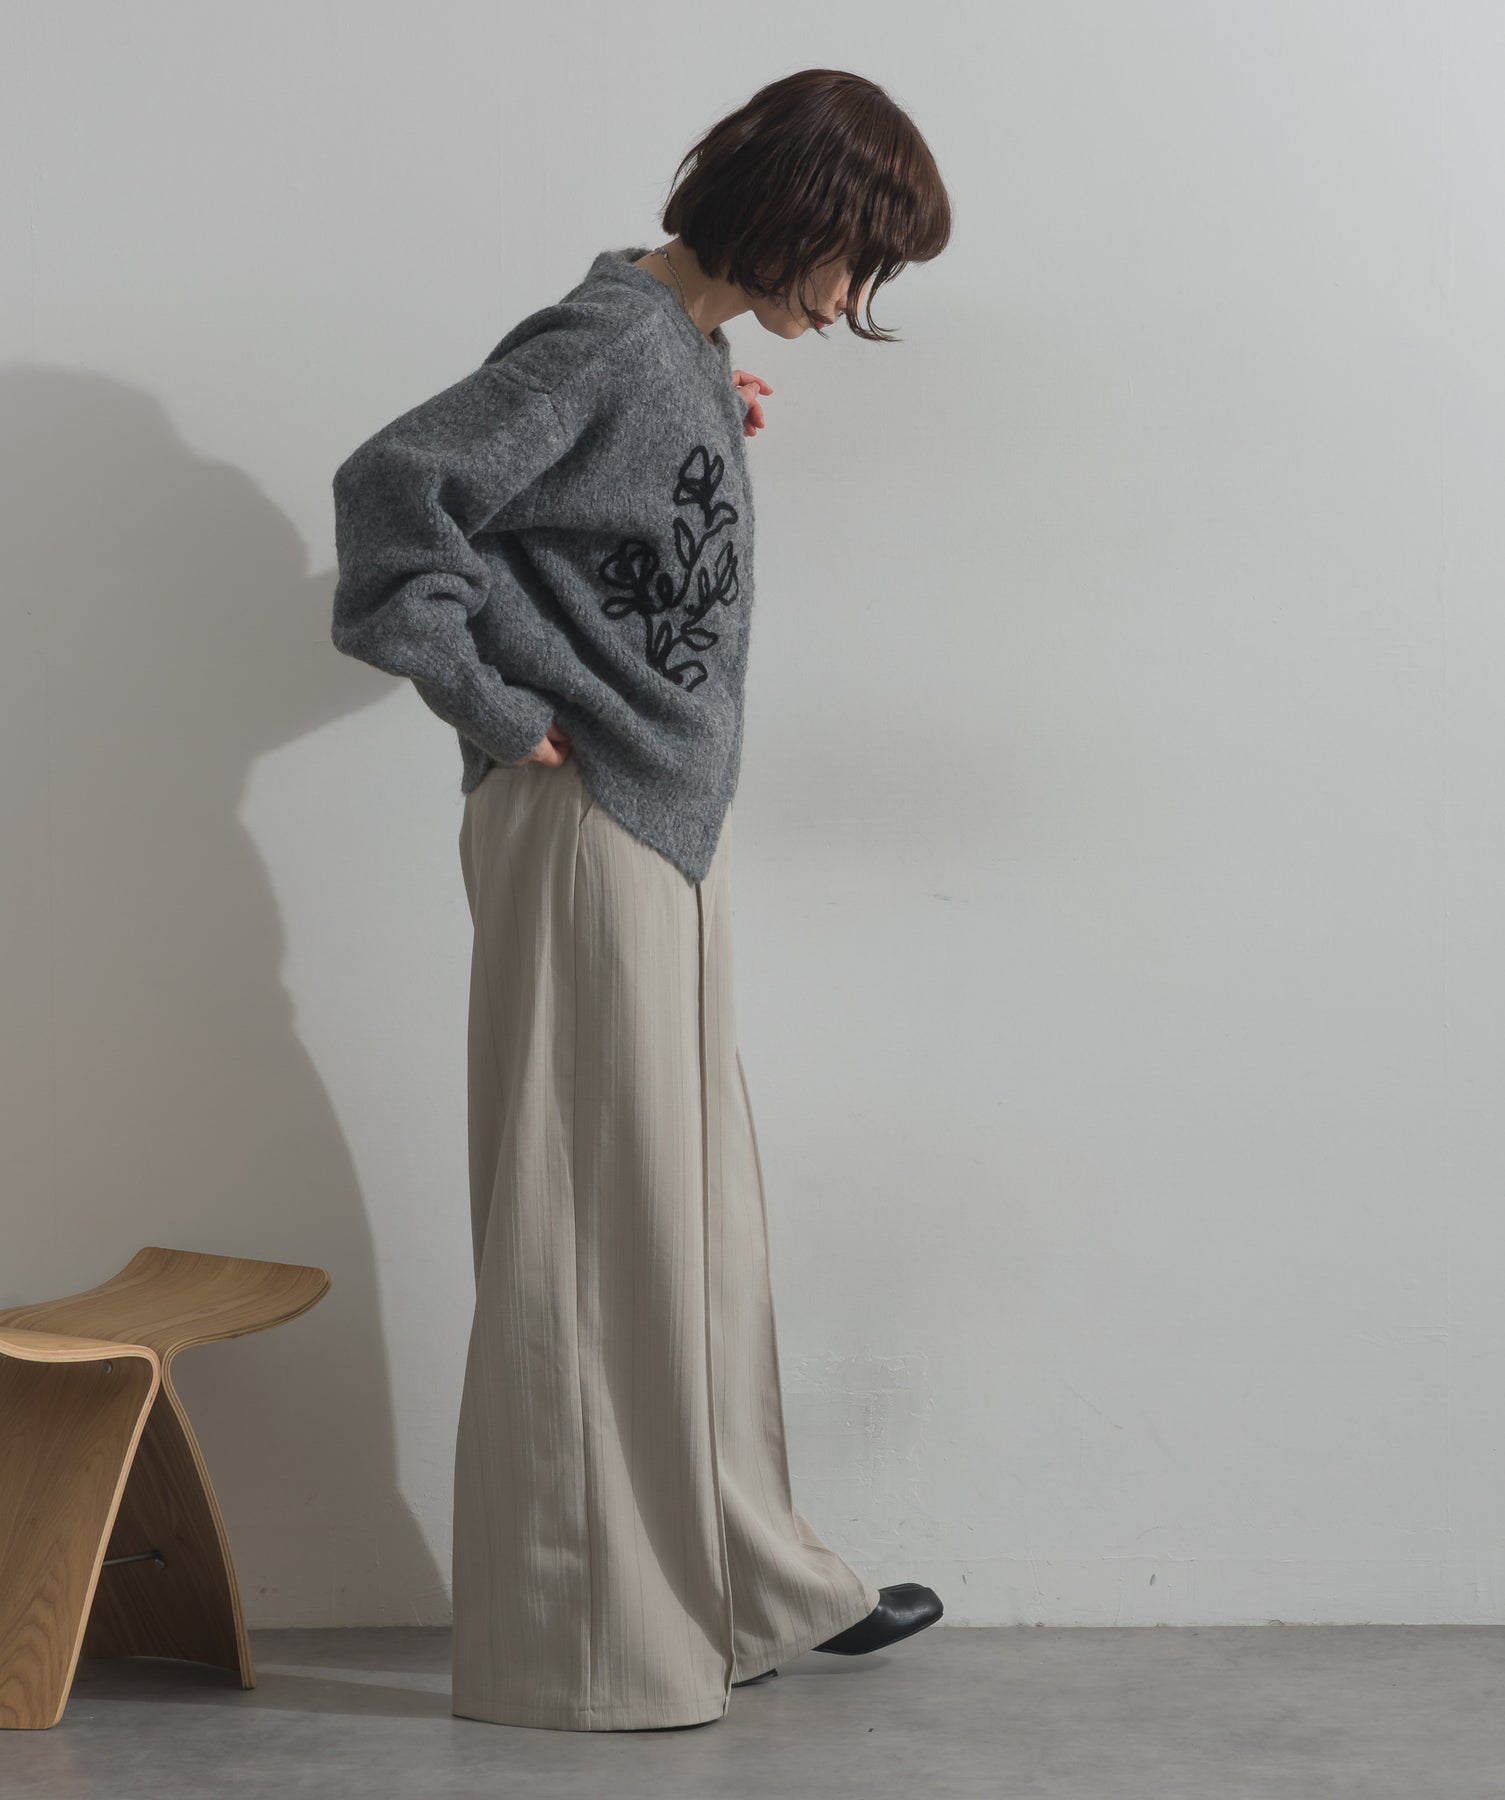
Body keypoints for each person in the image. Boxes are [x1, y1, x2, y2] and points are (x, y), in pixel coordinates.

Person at [329, 66, 952, 1733]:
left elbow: (586, 526)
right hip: (587, 815)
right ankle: (588, 1640)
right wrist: (487, 699)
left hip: (659, 820)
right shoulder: (609, 340)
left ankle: (742, 1576)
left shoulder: (669, 352)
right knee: (591, 1222)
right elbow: (393, 496)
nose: (853, 299)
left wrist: (698, 415)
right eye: (855, 260)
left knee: (688, 1217)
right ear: (796, 217)